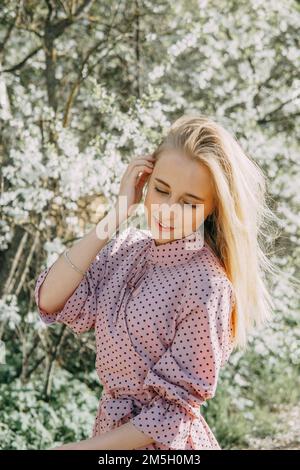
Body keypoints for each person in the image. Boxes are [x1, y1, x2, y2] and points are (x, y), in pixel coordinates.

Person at [34, 114, 275, 450]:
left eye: (189, 202)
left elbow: (174, 412)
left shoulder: (206, 285)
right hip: (109, 436)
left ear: (212, 210)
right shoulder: (126, 248)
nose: (167, 210)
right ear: (146, 180)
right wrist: (116, 214)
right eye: (161, 189)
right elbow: (50, 299)